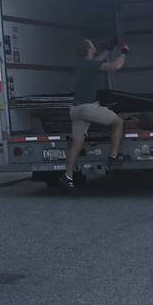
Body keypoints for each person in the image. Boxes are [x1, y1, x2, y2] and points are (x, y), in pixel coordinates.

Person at [60, 38, 128, 193]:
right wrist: (124, 52)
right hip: (88, 108)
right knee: (118, 122)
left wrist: (108, 50)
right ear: (89, 50)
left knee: (76, 144)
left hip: (75, 110)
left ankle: (68, 176)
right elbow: (115, 66)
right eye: (92, 45)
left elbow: (97, 61)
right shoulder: (91, 65)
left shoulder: (82, 65)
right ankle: (113, 157)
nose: (94, 46)